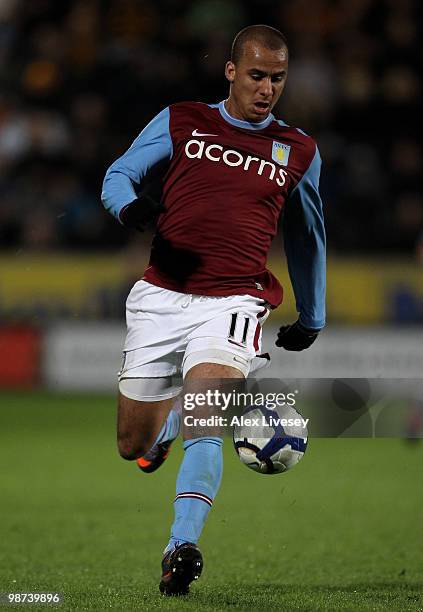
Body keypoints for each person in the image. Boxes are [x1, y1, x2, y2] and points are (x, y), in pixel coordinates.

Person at [101, 24, 326, 596]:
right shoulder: (183, 120)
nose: (267, 88)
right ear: (231, 71)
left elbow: (307, 236)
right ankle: (165, 424)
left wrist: (313, 314)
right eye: (256, 75)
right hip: (161, 295)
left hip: (235, 299)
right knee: (133, 445)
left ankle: (181, 548)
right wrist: (133, 212)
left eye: (277, 78)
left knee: (207, 417)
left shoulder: (297, 150)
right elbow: (118, 175)